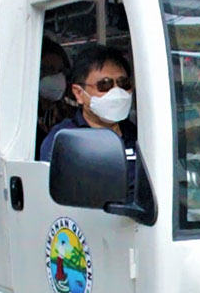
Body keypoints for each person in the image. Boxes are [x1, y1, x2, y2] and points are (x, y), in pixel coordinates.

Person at [39, 45, 138, 192]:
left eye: (123, 83)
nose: (116, 92)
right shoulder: (64, 140)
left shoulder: (138, 135)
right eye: (104, 84)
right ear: (79, 93)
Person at [36, 38, 72, 157]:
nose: (57, 77)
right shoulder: (22, 117)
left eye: (60, 71)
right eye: (50, 70)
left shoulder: (69, 114)